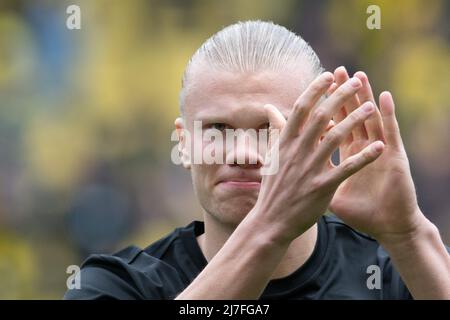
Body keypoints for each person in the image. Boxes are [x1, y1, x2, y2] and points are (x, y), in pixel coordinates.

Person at [64, 20, 450, 300]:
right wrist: (273, 225)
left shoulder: (388, 275)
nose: (244, 153)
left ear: (323, 137)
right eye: (217, 128)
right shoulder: (116, 286)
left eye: (271, 130)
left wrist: (409, 234)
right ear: (183, 144)